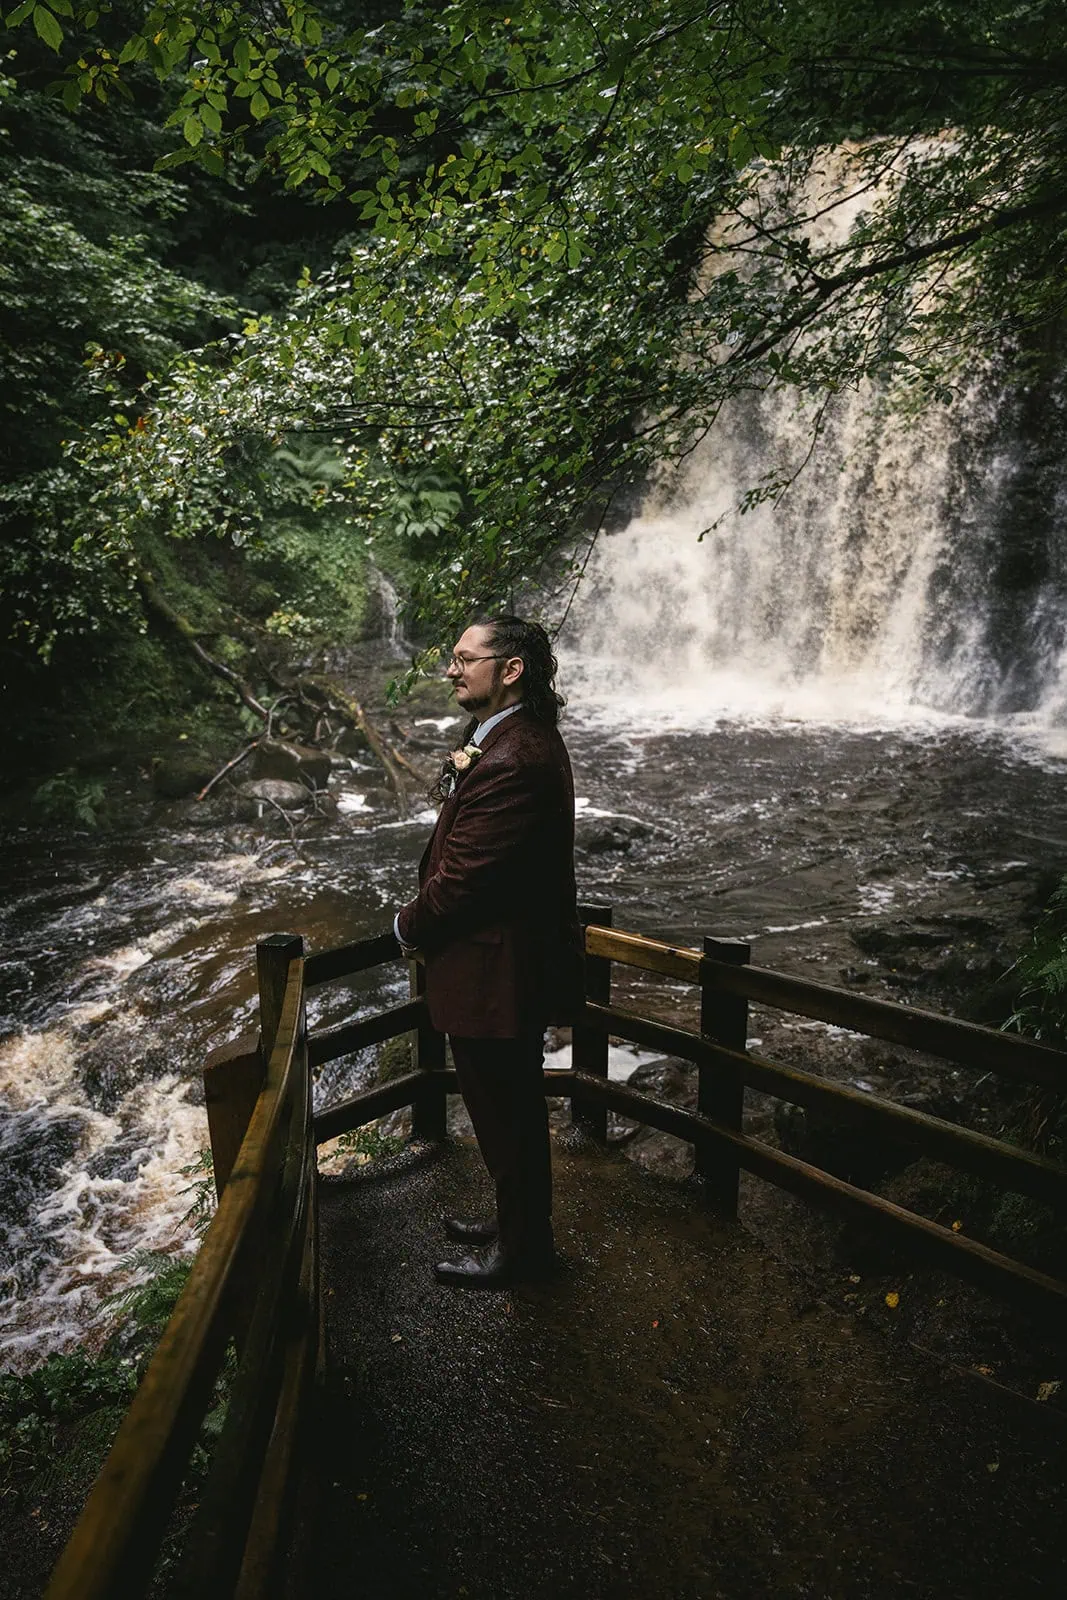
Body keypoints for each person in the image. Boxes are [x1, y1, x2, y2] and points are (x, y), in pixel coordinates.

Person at [394, 615, 582, 1288]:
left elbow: (466, 879)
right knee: (506, 1107)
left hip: (497, 969)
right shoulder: (506, 740)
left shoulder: (516, 756)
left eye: (465, 659)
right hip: (497, 964)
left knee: (507, 1112)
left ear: (510, 670)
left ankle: (524, 1252)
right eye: (452, 658)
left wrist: (405, 927)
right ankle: (514, 1221)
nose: (451, 669)